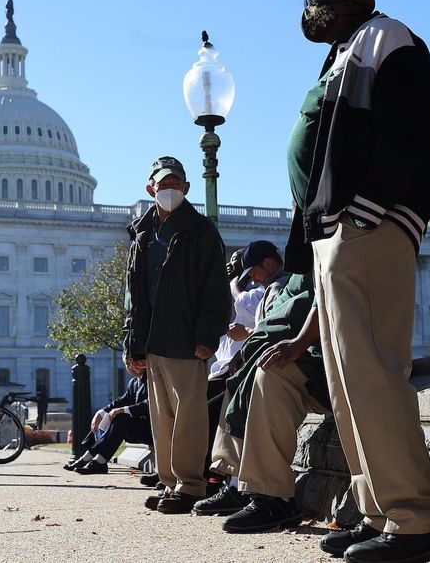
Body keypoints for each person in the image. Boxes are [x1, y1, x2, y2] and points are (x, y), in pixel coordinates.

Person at [286, 0, 430, 563]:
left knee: (373, 372)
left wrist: (360, 212)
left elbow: (404, 131)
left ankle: (417, 518)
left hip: (368, 226)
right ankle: (378, 509)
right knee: (346, 380)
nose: (312, 10)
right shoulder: (346, 50)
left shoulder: (389, 38)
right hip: (340, 233)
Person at [121, 156, 230, 514]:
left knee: (190, 417)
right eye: (162, 185)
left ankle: (191, 486)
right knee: (162, 417)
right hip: (152, 339)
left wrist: (207, 336)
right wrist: (131, 343)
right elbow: (132, 295)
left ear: (186, 188)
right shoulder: (141, 233)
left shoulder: (201, 231)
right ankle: (170, 483)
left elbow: (215, 290)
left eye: (175, 184)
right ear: (151, 189)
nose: (169, 190)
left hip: (186, 337)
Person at [219, 273, 331, 534]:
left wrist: (298, 343)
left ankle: (270, 496)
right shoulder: (296, 274)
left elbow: (319, 299)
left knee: (268, 370)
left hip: (334, 353)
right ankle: (244, 486)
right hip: (308, 352)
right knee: (246, 375)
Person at [194, 241, 287, 516]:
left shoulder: (281, 287)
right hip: (255, 364)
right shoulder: (272, 287)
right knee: (222, 404)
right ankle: (227, 482)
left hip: (275, 366)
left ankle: (231, 485)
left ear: (268, 264)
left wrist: (246, 339)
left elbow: (275, 332)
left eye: (253, 271)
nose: (252, 277)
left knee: (229, 404)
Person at [64, 356, 153, 475]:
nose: (130, 367)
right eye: (127, 364)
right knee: (107, 417)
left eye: (133, 363)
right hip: (137, 428)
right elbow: (122, 400)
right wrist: (102, 412)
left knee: (120, 417)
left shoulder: (151, 380)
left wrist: (122, 410)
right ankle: (92, 458)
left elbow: (150, 404)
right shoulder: (133, 382)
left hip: (151, 429)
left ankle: (96, 460)